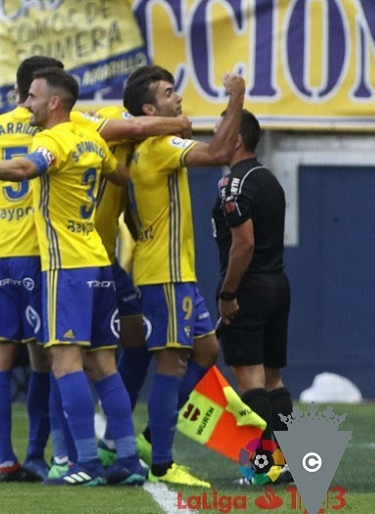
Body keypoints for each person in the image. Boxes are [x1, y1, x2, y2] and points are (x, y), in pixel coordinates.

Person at [0, 66, 145, 487]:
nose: (27, 103)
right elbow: (119, 175)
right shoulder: (92, 139)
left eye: (34, 96)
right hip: (99, 259)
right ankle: (128, 459)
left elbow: (25, 169)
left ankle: (86, 463)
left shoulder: (51, 141)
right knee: (105, 364)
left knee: (64, 361)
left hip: (66, 267)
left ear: (54, 102)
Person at [120, 64, 246, 487]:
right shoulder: (158, 145)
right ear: (149, 107)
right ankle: (161, 460)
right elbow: (219, 155)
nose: (179, 99)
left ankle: (154, 436)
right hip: (166, 273)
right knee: (171, 362)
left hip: (173, 270)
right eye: (170, 92)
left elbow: (213, 147)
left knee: (207, 351)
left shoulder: (144, 147)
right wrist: (236, 100)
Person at [211, 109, 293, 484]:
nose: (215, 137)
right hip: (277, 283)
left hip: (249, 288)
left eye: (221, 130)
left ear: (238, 139)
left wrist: (228, 292)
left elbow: (243, 244)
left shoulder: (234, 184)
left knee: (251, 383)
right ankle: (284, 463)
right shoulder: (269, 179)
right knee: (273, 382)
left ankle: (263, 469)